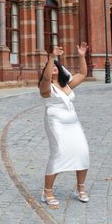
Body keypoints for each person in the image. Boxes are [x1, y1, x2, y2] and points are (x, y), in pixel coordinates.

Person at [38, 43, 90, 207]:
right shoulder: (46, 88)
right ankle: (47, 191)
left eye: (55, 66)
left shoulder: (66, 85)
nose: (53, 68)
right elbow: (46, 78)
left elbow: (82, 74)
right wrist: (51, 58)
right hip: (56, 122)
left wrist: (81, 56)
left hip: (73, 122)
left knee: (82, 151)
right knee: (59, 153)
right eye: (50, 67)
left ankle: (80, 188)